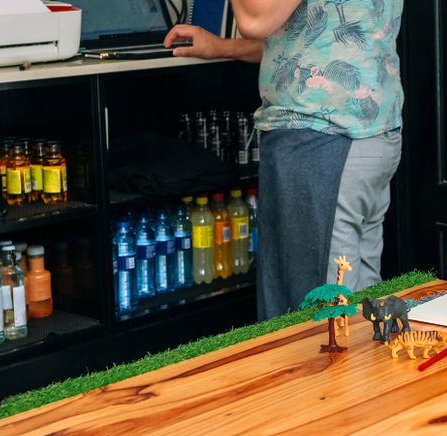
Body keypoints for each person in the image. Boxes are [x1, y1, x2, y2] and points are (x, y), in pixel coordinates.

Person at [164, 0, 405, 320]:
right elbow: (309, 42)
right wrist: (222, 46)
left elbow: (255, 20)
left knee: (318, 319)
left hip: (322, 138)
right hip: (371, 136)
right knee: (360, 308)